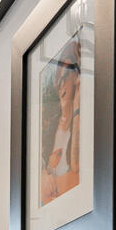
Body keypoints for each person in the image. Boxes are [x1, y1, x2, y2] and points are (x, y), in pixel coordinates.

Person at [41, 38, 82, 204]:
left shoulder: (81, 122)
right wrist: (44, 174)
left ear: (77, 76)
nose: (62, 84)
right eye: (59, 80)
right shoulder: (52, 126)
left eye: (66, 76)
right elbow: (42, 165)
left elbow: (76, 165)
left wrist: (77, 106)